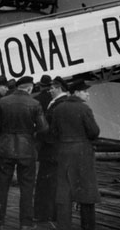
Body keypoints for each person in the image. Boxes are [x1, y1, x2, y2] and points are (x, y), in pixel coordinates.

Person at [0, 76, 48, 229]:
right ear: (29, 88)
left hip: (5, 148)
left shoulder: (3, 101)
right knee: (27, 188)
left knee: (1, 187)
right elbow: (43, 128)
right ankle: (26, 224)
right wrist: (30, 132)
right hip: (27, 149)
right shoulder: (35, 103)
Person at [51, 79, 100, 230]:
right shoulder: (84, 109)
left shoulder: (58, 108)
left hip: (64, 152)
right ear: (77, 92)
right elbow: (94, 132)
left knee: (64, 191)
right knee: (86, 190)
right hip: (82, 153)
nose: (88, 95)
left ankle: (63, 226)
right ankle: (87, 226)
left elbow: (53, 132)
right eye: (85, 91)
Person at [34, 76, 70, 225]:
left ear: (59, 88)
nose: (50, 90)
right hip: (53, 150)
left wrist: (40, 132)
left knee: (48, 183)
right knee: (51, 183)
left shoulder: (59, 104)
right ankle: (50, 213)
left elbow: (54, 128)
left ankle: (45, 214)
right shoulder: (57, 103)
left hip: (51, 150)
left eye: (52, 88)